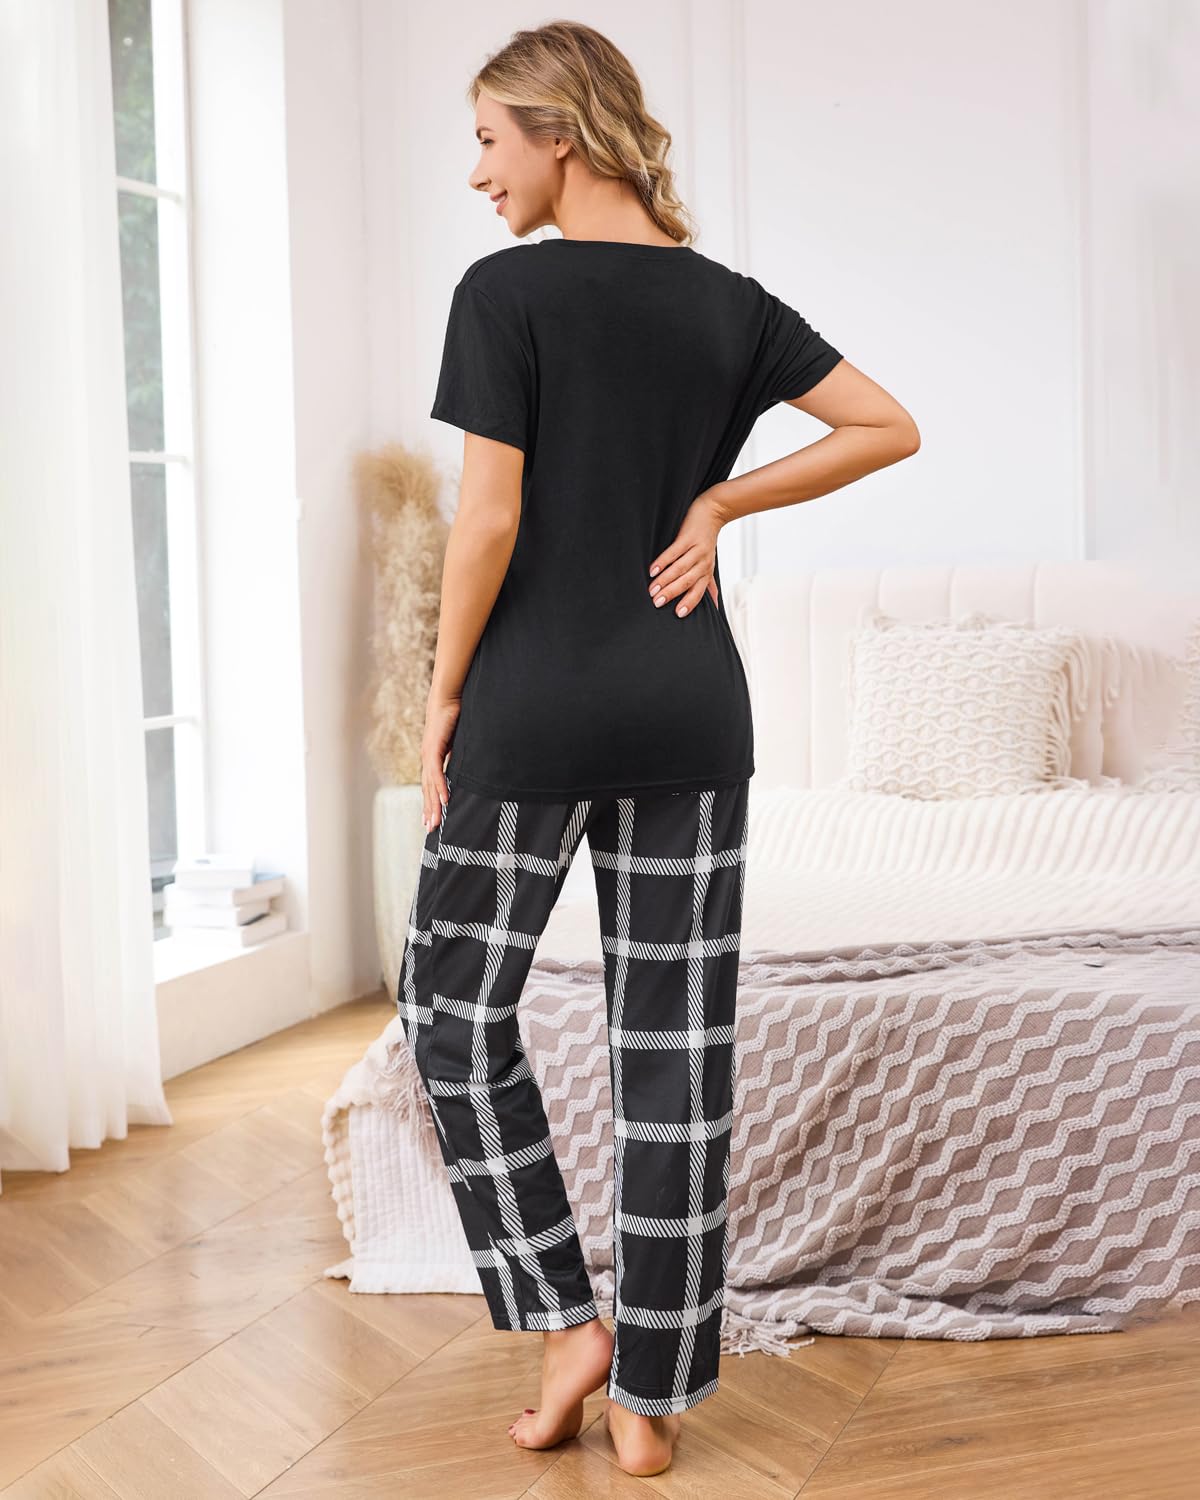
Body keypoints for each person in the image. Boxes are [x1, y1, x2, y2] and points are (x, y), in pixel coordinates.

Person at [396, 19, 920, 1479]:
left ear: (559, 130)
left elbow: (489, 520)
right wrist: (719, 505)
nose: (478, 174)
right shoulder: (727, 305)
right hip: (691, 712)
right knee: (673, 1054)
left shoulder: (505, 294)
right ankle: (652, 1394)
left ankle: (569, 1324)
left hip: (533, 712)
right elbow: (887, 426)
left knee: (450, 1012)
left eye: (489, 140)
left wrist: (440, 695)